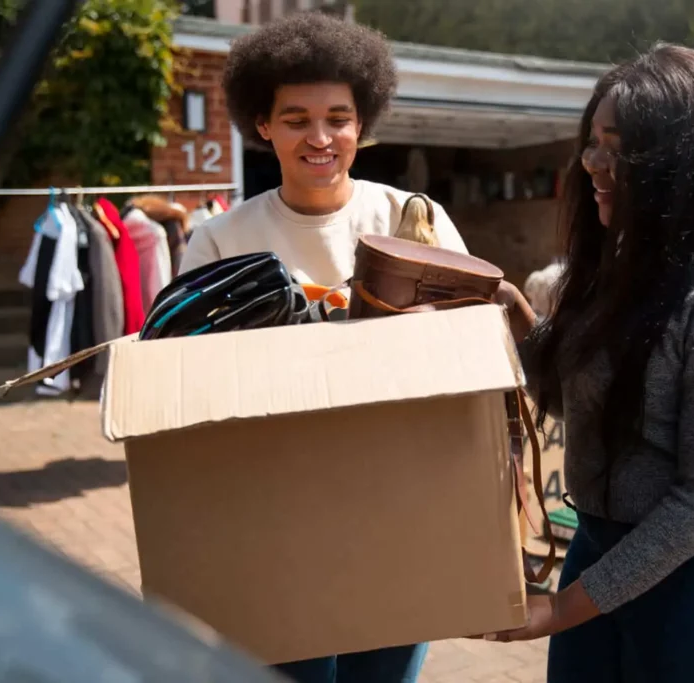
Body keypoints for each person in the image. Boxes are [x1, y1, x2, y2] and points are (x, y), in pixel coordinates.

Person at [491, 43, 694, 682]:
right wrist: (509, 308)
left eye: (621, 150)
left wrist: (560, 609)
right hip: (605, 542)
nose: (595, 166)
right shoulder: (618, 265)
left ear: (689, 165)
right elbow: (580, 400)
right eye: (593, 144)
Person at [178, 12, 468, 683]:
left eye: (337, 117)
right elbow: (187, 378)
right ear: (262, 125)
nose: (320, 137)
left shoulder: (411, 220)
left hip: (396, 507)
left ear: (362, 123)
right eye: (295, 118)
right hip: (274, 520)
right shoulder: (221, 239)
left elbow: (469, 350)